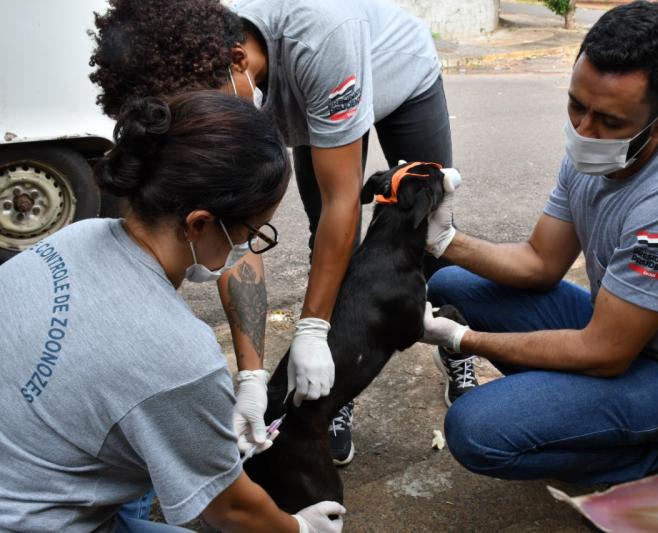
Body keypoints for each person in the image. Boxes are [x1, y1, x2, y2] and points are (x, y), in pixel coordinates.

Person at [89, 0, 474, 467]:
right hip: (314, 99)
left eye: (204, 111)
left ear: (237, 62)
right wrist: (251, 376)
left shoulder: (319, 36)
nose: (203, 128)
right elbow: (234, 233)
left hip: (397, 75)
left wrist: (312, 329)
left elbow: (343, 200)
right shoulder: (213, 91)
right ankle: (336, 388)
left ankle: (449, 331)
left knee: (423, 228)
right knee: (332, 248)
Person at [419, 1, 658, 487]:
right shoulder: (594, 151)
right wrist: (446, 241)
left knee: (476, 430)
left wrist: (461, 339)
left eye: (610, 122)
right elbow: (540, 262)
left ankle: (653, 461)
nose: (583, 132)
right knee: (455, 283)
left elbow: (605, 352)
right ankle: (578, 416)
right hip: (618, 330)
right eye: (577, 104)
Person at [0, 91, 344, 532]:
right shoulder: (179, 354)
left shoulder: (77, 237)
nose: (248, 248)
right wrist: (299, 528)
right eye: (252, 232)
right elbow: (230, 509)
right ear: (198, 223)